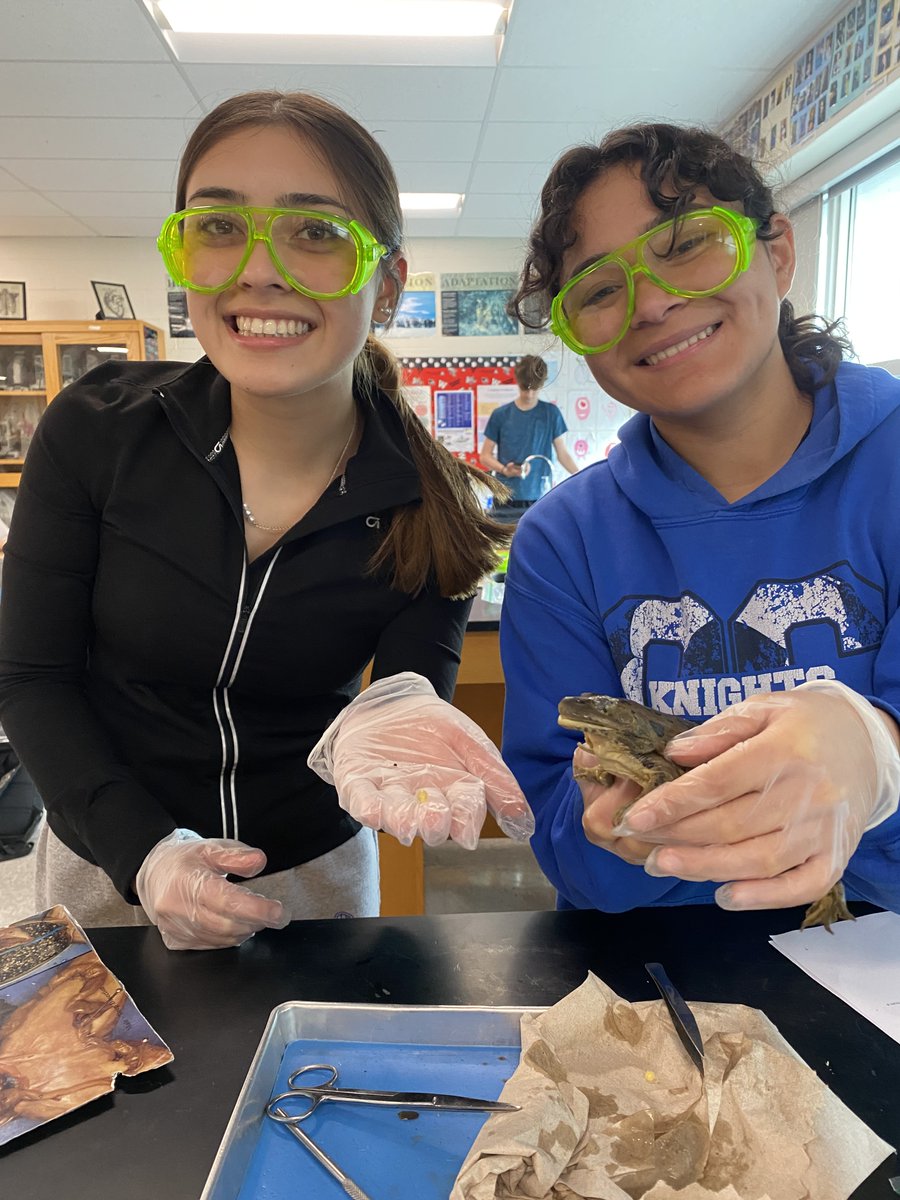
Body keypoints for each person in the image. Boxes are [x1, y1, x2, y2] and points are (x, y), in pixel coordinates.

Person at [0, 90, 532, 951]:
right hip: (103, 870)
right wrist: (145, 852)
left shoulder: (427, 502)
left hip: (309, 887)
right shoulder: (96, 432)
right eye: (217, 226)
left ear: (386, 283)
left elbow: (402, 701)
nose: (258, 269)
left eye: (315, 232)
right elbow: (31, 680)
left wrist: (401, 730)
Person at [500, 121, 900, 919]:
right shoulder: (561, 544)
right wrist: (620, 834)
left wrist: (875, 756)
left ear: (778, 251)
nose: (651, 303)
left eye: (685, 245)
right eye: (600, 290)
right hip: (668, 987)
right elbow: (570, 852)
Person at [479, 355, 578, 520]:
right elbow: (485, 456)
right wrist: (504, 470)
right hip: (506, 498)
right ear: (518, 382)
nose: (530, 394)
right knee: (507, 545)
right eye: (525, 388)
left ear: (542, 384)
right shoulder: (501, 415)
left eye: (535, 388)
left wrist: (582, 477)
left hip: (540, 496)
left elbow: (563, 454)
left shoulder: (551, 413)